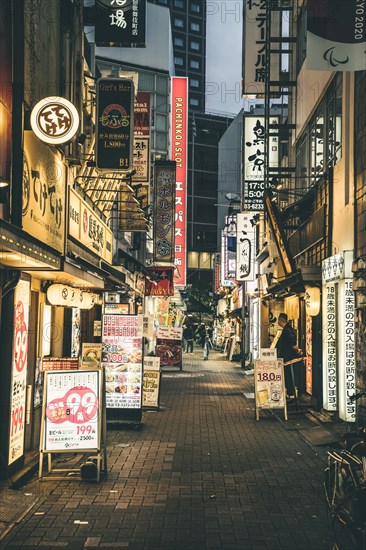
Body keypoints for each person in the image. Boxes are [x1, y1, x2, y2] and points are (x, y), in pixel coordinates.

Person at [275, 313, 302, 398]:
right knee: (287, 374)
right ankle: (290, 393)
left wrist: (298, 351)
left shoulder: (288, 330)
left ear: (281, 320)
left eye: (278, 320)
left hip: (288, 357)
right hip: (286, 357)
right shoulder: (286, 329)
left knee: (288, 375)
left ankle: (291, 394)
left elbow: (293, 344)